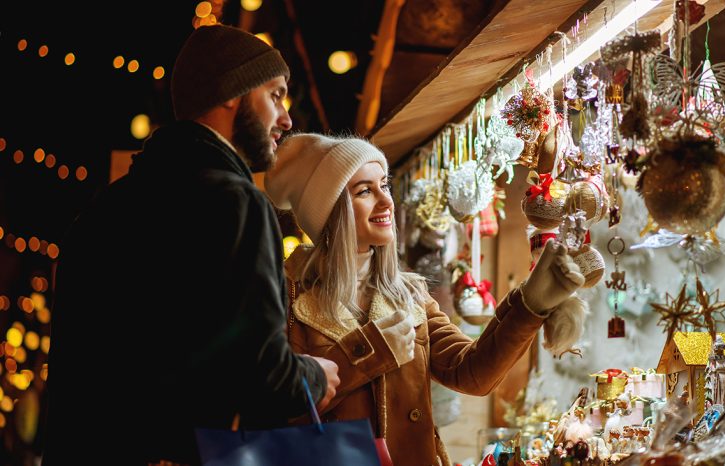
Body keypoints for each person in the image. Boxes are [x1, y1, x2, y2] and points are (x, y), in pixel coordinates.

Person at [43, 25, 339, 465]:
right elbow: (262, 375)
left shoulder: (100, 212)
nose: (286, 119)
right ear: (231, 94)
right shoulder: (235, 202)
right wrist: (316, 376)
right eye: (275, 95)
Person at [264, 134, 585, 466]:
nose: (386, 202)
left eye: (384, 186)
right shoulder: (287, 299)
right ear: (330, 212)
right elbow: (279, 411)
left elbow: (471, 372)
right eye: (364, 191)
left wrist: (530, 304)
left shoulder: (408, 293)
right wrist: (371, 351)